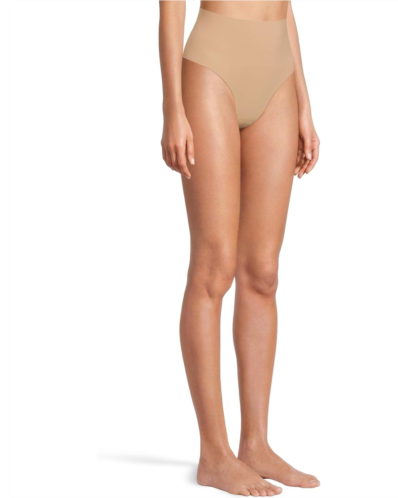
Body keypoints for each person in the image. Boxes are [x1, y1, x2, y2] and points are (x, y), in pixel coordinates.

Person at [159, 1, 321, 496]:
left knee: (263, 273)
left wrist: (305, 101)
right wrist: (172, 108)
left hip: (278, 73)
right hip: (213, 66)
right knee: (214, 269)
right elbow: (171, 8)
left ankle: (256, 445)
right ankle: (214, 454)